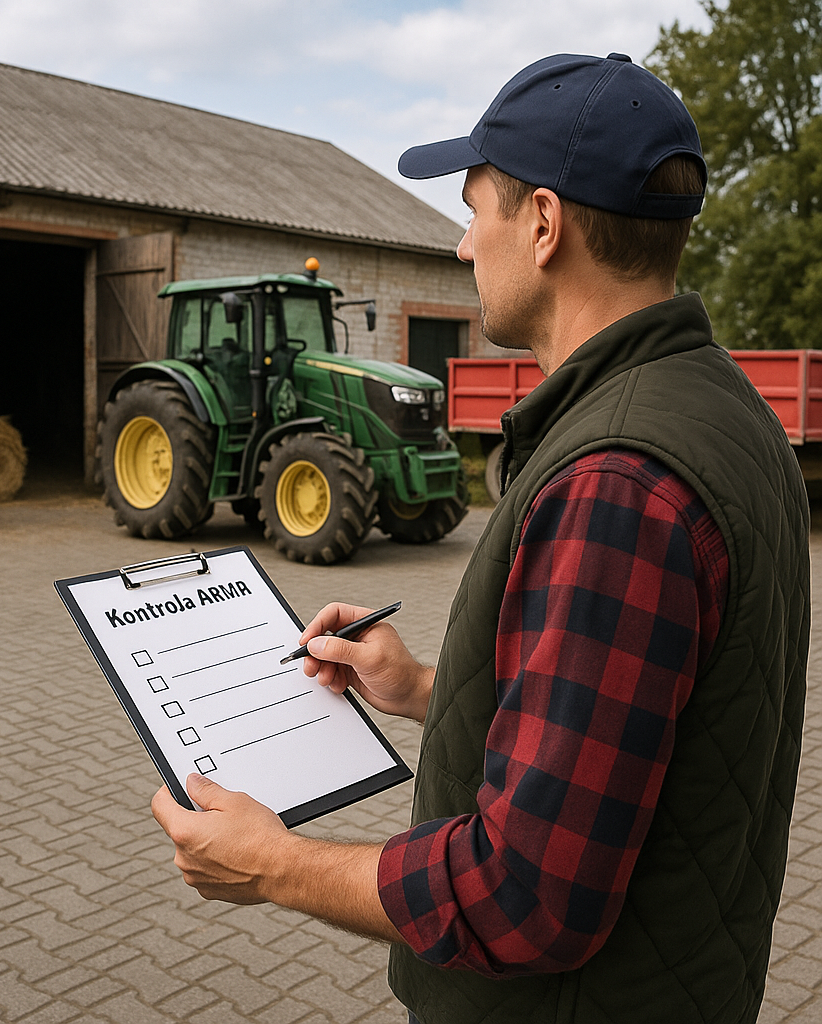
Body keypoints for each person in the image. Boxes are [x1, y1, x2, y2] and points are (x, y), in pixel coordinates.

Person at [152, 52, 809, 1024]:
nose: (462, 245)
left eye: (474, 209)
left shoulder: (615, 480)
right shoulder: (721, 407)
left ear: (542, 224)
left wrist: (277, 864)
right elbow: (627, 719)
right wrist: (422, 688)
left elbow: (525, 897)